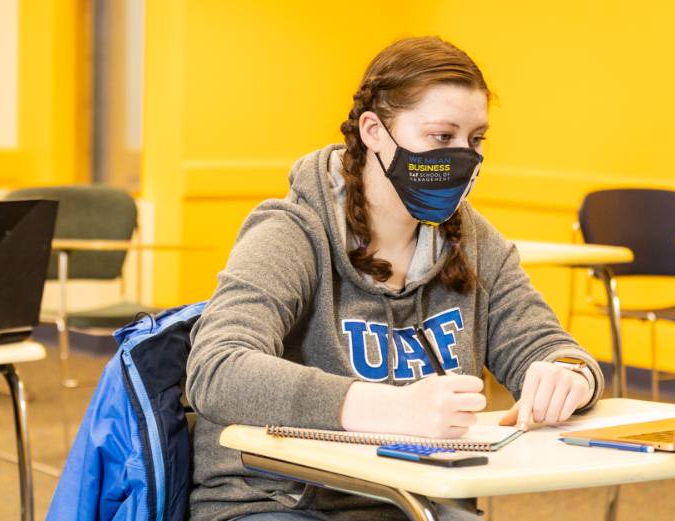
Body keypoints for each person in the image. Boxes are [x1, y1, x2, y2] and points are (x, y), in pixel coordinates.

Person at [185, 36, 605, 521]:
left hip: (410, 498)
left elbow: (545, 344)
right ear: (374, 131)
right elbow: (216, 370)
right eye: (441, 137)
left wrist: (569, 373)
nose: (463, 158)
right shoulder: (292, 230)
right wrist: (384, 408)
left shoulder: (473, 238)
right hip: (280, 501)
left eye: (475, 139)